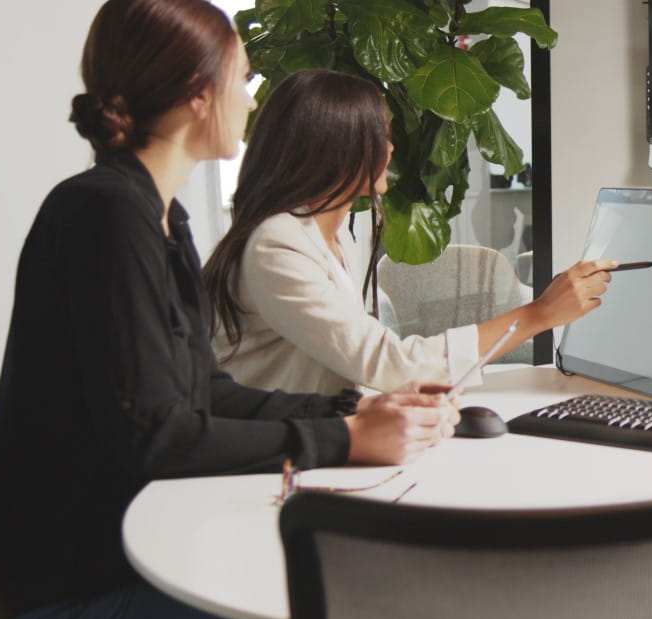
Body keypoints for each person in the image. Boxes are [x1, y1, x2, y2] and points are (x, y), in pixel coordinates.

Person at [0, 0, 458, 619]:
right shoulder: (104, 215)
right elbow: (156, 434)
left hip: (121, 573)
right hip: (59, 618)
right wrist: (341, 438)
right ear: (196, 96)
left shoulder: (160, 217)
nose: (249, 98)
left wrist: (351, 407)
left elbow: (202, 389)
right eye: (240, 77)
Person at [202, 69, 612, 395]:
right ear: (338, 147)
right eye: (381, 135)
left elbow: (360, 357)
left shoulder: (330, 236)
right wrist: (537, 314)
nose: (391, 149)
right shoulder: (278, 245)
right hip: (274, 461)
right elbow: (387, 362)